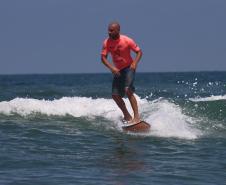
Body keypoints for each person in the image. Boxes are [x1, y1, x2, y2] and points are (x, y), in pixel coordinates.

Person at [101, 22, 143, 124]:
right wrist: (112, 68)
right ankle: (127, 116)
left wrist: (135, 63)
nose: (109, 32)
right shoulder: (106, 43)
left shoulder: (127, 40)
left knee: (128, 90)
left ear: (117, 30)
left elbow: (139, 52)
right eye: (108, 30)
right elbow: (103, 58)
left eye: (111, 30)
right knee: (115, 95)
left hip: (129, 68)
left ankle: (136, 117)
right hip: (118, 70)